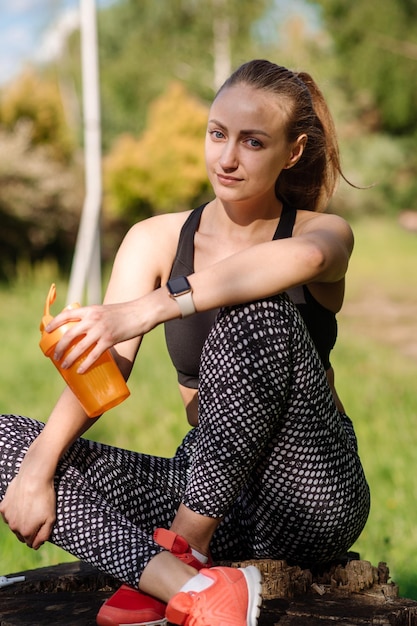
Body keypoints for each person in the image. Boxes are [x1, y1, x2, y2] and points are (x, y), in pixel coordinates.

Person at [0, 59, 370, 626]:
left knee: (255, 315)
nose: (227, 158)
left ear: (292, 152)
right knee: (8, 441)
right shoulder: (155, 238)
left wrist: (147, 308)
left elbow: (306, 262)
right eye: (217, 134)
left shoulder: (320, 233)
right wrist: (35, 470)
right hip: (206, 485)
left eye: (253, 141)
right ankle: (185, 586)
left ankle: (183, 551)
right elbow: (105, 374)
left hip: (310, 492)